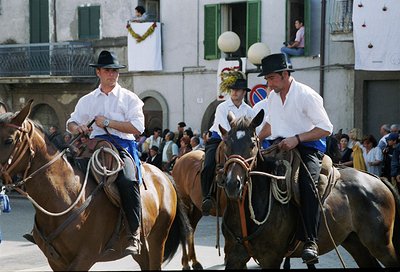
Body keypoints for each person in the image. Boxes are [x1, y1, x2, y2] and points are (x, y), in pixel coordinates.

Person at [66, 50, 144, 255]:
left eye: (115, 71)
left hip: (121, 147)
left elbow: (138, 127)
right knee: (63, 175)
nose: (112, 74)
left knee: (127, 180)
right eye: (108, 70)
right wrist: (78, 128)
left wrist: (108, 122)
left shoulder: (130, 98)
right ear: (98, 72)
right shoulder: (88, 100)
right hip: (93, 146)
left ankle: (134, 233)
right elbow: (71, 122)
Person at [257, 53, 333, 265]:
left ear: (284, 74)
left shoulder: (306, 95)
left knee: (307, 184)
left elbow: (326, 128)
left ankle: (311, 240)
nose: (269, 83)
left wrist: (297, 138)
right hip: (280, 146)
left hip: (309, 147)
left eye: (271, 78)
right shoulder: (272, 97)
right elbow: (271, 124)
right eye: (267, 79)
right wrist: (256, 138)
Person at [201, 72, 254, 216]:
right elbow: (223, 129)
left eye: (237, 90)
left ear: (243, 92)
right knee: (208, 164)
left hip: (240, 143)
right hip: (220, 138)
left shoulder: (249, 110)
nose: (234, 92)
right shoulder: (222, 107)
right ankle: (207, 196)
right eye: (232, 90)